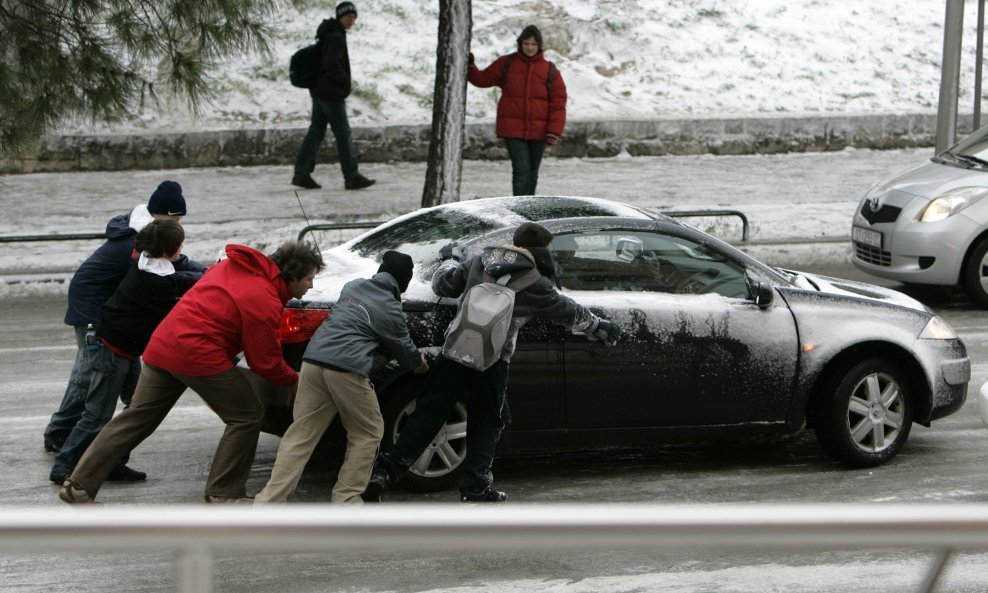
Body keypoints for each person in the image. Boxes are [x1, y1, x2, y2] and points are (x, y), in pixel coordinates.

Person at [364, 222, 621, 503]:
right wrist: (599, 327)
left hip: (456, 350)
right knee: (486, 421)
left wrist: (450, 257)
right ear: (541, 250)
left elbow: (443, 284)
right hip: (493, 359)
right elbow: (568, 312)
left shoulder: (479, 261)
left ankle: (384, 473)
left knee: (428, 412)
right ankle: (475, 486)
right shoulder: (536, 282)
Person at [58, 241, 325, 505]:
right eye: (309, 279)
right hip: (198, 355)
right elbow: (263, 361)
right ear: (291, 275)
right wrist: (293, 380)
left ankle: (78, 485)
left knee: (135, 418)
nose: (311, 286)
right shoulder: (263, 297)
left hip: (162, 346)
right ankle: (223, 493)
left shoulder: (232, 267)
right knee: (247, 416)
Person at [43, 181, 205, 472]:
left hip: (122, 343)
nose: (179, 228)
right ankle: (64, 457)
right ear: (162, 221)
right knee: (94, 397)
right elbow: (174, 286)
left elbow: (179, 271)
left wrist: (209, 274)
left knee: (135, 405)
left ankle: (111, 460)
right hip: (100, 321)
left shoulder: (148, 253)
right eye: (176, 221)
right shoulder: (139, 256)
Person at [255, 251, 429, 504]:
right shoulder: (391, 308)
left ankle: (268, 502)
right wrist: (421, 367)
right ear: (404, 280)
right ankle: (347, 499)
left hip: (313, 362)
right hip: (347, 369)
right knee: (368, 432)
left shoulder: (353, 286)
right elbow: (405, 349)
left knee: (301, 435)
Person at [468, 25, 567, 196]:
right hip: (513, 130)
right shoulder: (507, 63)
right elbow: (483, 79)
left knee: (532, 172)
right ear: (520, 44)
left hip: (540, 131)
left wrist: (554, 131)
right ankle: (519, 208)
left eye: (534, 44)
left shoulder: (550, 70)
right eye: (526, 43)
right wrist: (470, 67)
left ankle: (529, 208)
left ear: (539, 46)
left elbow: (558, 103)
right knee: (521, 170)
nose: (530, 47)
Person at [291, 1, 376, 191]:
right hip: (331, 93)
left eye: (354, 17)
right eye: (348, 16)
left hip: (320, 91)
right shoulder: (336, 36)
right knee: (343, 134)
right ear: (340, 16)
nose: (352, 20)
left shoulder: (329, 33)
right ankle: (351, 176)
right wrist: (345, 81)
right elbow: (331, 65)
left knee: (316, 132)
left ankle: (301, 173)